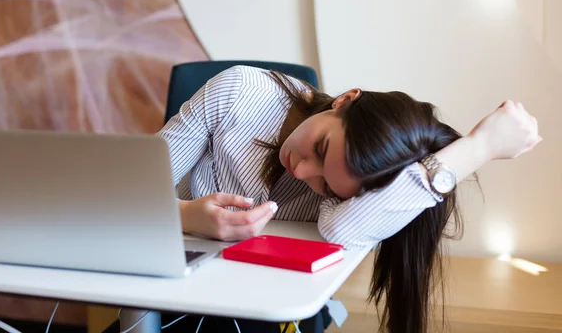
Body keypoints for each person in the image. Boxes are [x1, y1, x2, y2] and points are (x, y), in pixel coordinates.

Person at [157, 65, 541, 333]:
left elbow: (343, 228)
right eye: (321, 149)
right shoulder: (239, 92)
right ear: (344, 100)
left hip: (267, 308)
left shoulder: (352, 197)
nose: (303, 172)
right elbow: (125, 193)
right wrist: (185, 215)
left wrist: (475, 149)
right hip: (177, 286)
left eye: (325, 186)